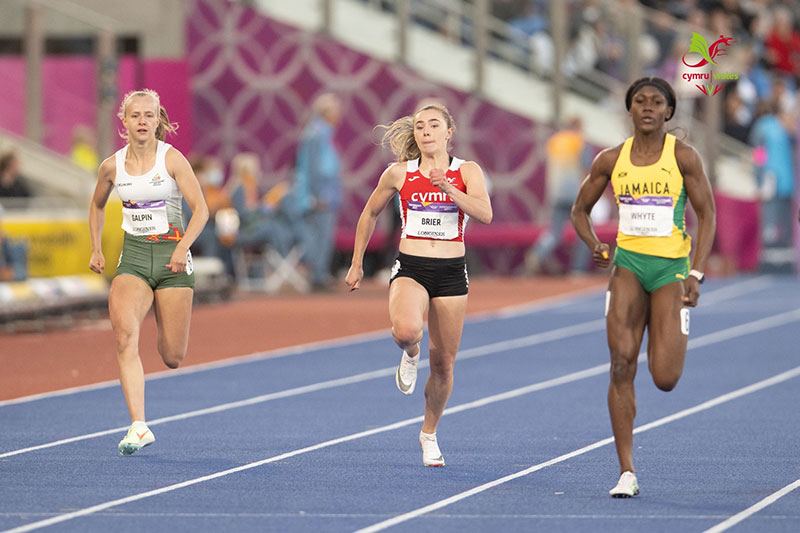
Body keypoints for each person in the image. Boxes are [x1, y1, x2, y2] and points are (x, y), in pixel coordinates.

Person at [571, 77, 716, 497]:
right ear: (629, 110)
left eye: (656, 101)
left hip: (671, 269)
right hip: (628, 267)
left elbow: (708, 216)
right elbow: (580, 209)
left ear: (669, 111)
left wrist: (696, 273)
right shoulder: (611, 159)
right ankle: (626, 471)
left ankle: (671, 323)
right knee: (620, 365)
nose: (648, 107)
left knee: (666, 377)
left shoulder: (684, 157)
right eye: (639, 101)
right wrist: (595, 244)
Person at [345, 104, 492, 466]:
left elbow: (485, 214)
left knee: (443, 365)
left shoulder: (467, 171)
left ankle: (429, 434)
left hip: (451, 271)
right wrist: (356, 262)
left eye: (434, 125)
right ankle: (410, 352)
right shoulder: (399, 173)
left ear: (448, 133)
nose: (426, 131)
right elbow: (369, 213)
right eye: (420, 126)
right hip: (412, 266)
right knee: (408, 330)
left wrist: (449, 189)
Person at [88, 89, 208, 455]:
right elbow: (96, 205)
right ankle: (139, 425)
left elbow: (200, 209)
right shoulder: (112, 165)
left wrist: (183, 247)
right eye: (135, 115)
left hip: (173, 257)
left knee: (172, 356)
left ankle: (160, 307)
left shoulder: (172, 160)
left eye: (149, 115)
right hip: (135, 257)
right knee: (124, 336)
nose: (142, 121)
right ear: (123, 121)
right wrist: (95, 247)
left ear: (158, 120)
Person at [525, 116, 592, 275]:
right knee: (585, 232)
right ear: (578, 126)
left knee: (554, 233)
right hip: (576, 194)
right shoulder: (579, 141)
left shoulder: (554, 141)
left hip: (556, 193)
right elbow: (587, 169)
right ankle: (578, 269)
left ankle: (538, 253)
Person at [293, 93, 343, 290]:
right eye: (335, 110)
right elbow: (311, 167)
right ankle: (318, 276)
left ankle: (319, 273)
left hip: (325, 190)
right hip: (321, 192)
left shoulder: (322, 132)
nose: (339, 115)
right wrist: (316, 194)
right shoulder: (316, 133)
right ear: (326, 112)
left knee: (322, 235)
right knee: (320, 235)